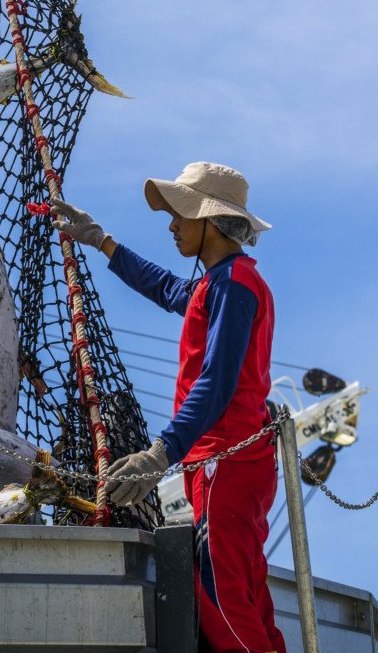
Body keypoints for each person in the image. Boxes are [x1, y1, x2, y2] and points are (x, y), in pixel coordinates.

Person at [51, 161, 286, 653]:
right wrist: (100, 240)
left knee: (221, 600)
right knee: (246, 597)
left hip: (226, 461)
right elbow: (166, 288)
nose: (172, 224)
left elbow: (216, 382)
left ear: (212, 222)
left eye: (181, 212)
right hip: (225, 461)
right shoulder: (220, 282)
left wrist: (160, 454)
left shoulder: (233, 286)